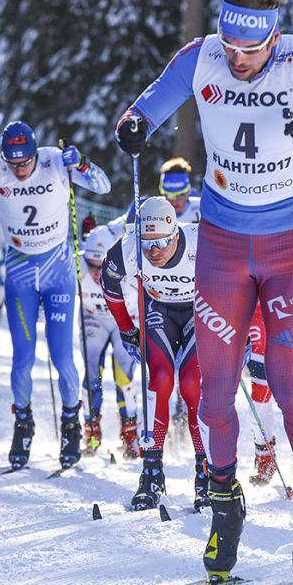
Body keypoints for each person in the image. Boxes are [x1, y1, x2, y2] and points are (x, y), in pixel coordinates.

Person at [115, 0, 293, 585]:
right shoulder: (201, 56)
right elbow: (149, 104)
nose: (239, 62)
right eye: (231, 49)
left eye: (251, 51)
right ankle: (224, 505)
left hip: (292, 244)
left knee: (289, 383)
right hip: (223, 242)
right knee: (215, 392)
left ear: (273, 37)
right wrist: (132, 125)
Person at [0, 121, 110, 470]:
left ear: (35, 153)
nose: (19, 170)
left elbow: (102, 186)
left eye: (24, 163)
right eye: (12, 164)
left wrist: (84, 164)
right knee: (23, 359)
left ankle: (71, 424)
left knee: (62, 358)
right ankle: (23, 424)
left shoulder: (54, 161)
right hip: (21, 275)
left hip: (58, 273)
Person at [102, 196, 209, 511]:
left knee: (192, 384)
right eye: (147, 244)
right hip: (157, 311)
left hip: (198, 312)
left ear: (176, 233)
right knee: (159, 380)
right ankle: (151, 474)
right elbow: (109, 285)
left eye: (162, 242)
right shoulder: (127, 249)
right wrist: (125, 329)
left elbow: (241, 278)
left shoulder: (201, 242)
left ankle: (206, 475)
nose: (154, 251)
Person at [80, 225, 140, 458]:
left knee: (123, 374)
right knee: (92, 370)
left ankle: (130, 434)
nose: (96, 274)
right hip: (93, 319)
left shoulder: (126, 264)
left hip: (122, 321)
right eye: (91, 266)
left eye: (101, 266)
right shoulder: (77, 265)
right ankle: (91, 431)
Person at [158, 157, 201, 223]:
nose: (174, 201)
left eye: (180, 195)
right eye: (169, 196)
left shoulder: (202, 209)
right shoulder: (153, 210)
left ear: (188, 191)